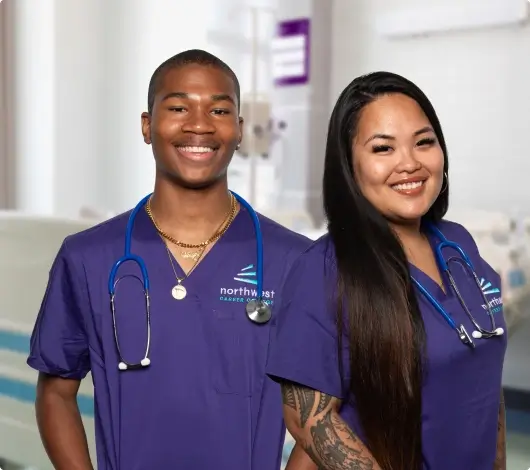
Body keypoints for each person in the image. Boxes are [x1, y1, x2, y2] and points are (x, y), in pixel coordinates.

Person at [26, 49, 316, 470]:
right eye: (178, 107)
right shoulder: (87, 258)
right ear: (147, 126)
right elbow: (55, 390)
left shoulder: (294, 261)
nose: (199, 124)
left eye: (218, 110)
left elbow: (321, 413)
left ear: (237, 129)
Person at [266, 71, 508, 470]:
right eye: (383, 149)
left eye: (424, 142)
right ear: (349, 165)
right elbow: (309, 418)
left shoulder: (458, 245)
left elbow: (483, 368)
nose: (409, 164)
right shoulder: (324, 271)